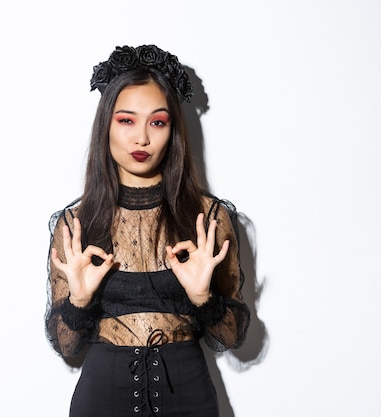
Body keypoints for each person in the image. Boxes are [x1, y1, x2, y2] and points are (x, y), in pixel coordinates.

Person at [44, 44, 250, 417]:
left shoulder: (208, 218)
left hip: (190, 398)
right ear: (105, 125)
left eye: (157, 121)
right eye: (126, 120)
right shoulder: (76, 224)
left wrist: (203, 298)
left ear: (173, 130)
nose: (142, 138)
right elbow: (66, 345)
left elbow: (232, 336)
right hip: (101, 399)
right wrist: (78, 301)